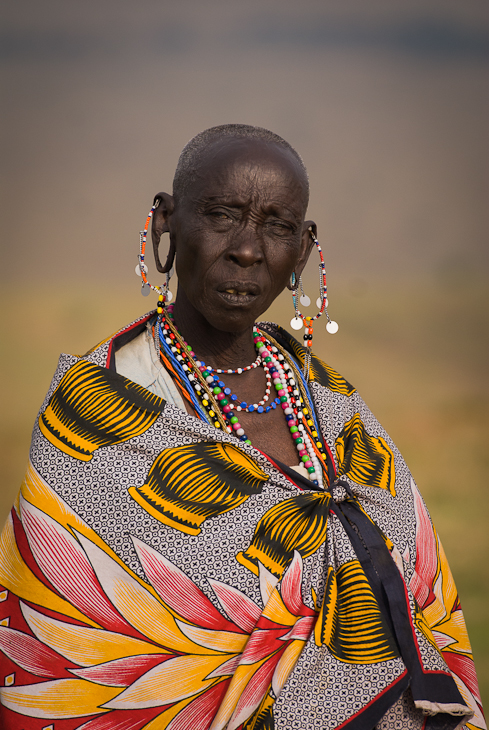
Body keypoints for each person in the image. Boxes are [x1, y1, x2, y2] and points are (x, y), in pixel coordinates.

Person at [0, 124, 484, 730]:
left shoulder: (334, 406)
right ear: (165, 223)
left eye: (277, 227)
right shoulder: (96, 409)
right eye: (223, 215)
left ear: (304, 249)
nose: (248, 250)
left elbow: (425, 600)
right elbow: (56, 648)